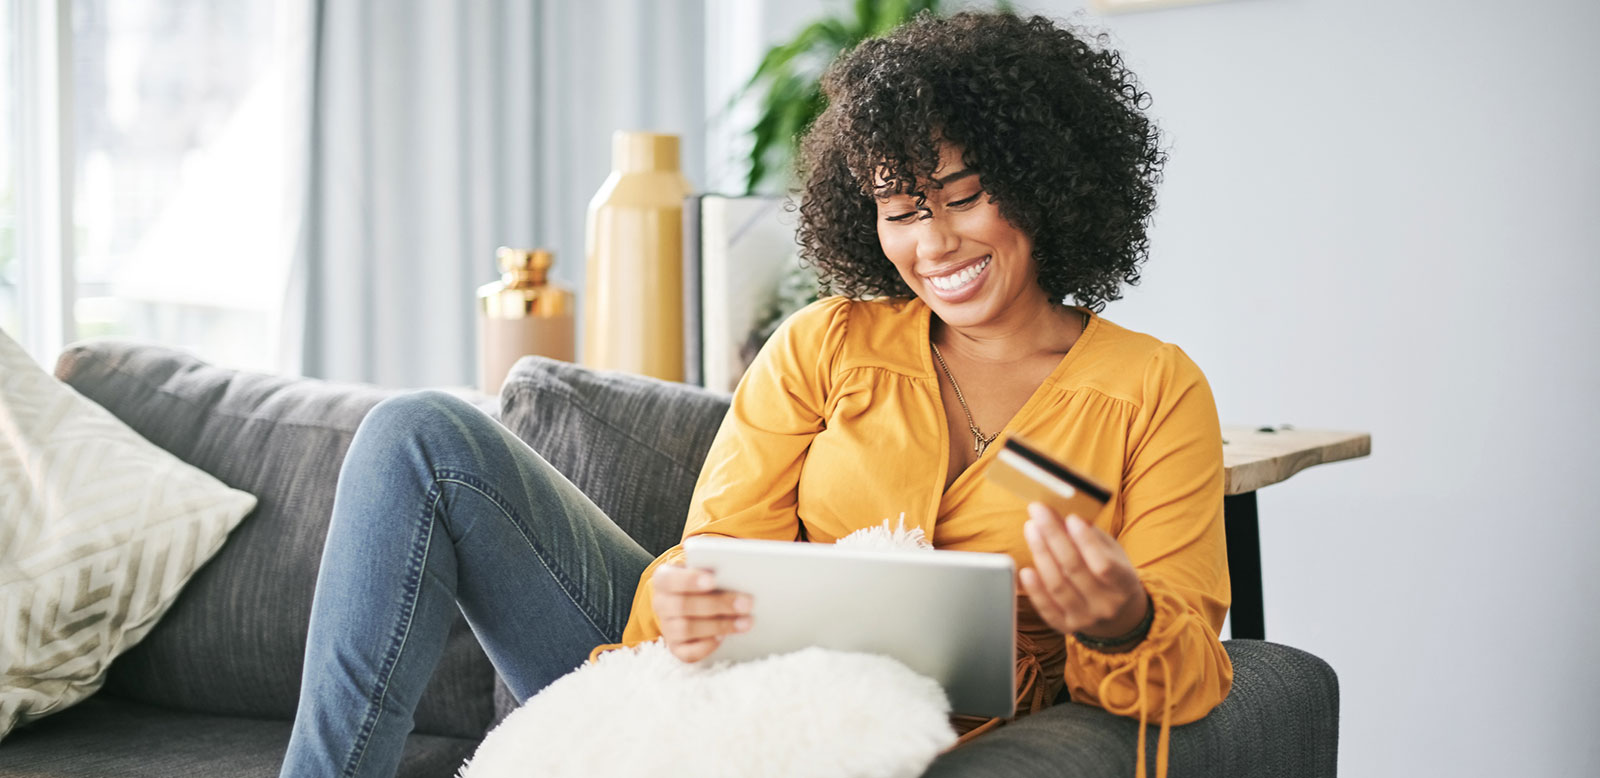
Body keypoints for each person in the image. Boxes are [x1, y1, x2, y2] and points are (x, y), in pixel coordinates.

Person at [280, 11, 1230, 778]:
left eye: (964, 196)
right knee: (420, 431)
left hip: (903, 723)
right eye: (900, 210)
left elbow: (1191, 667)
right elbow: (712, 558)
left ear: (1044, 184)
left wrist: (1122, 623)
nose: (932, 243)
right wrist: (682, 606)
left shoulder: (1153, 389)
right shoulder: (824, 342)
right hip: (733, 681)